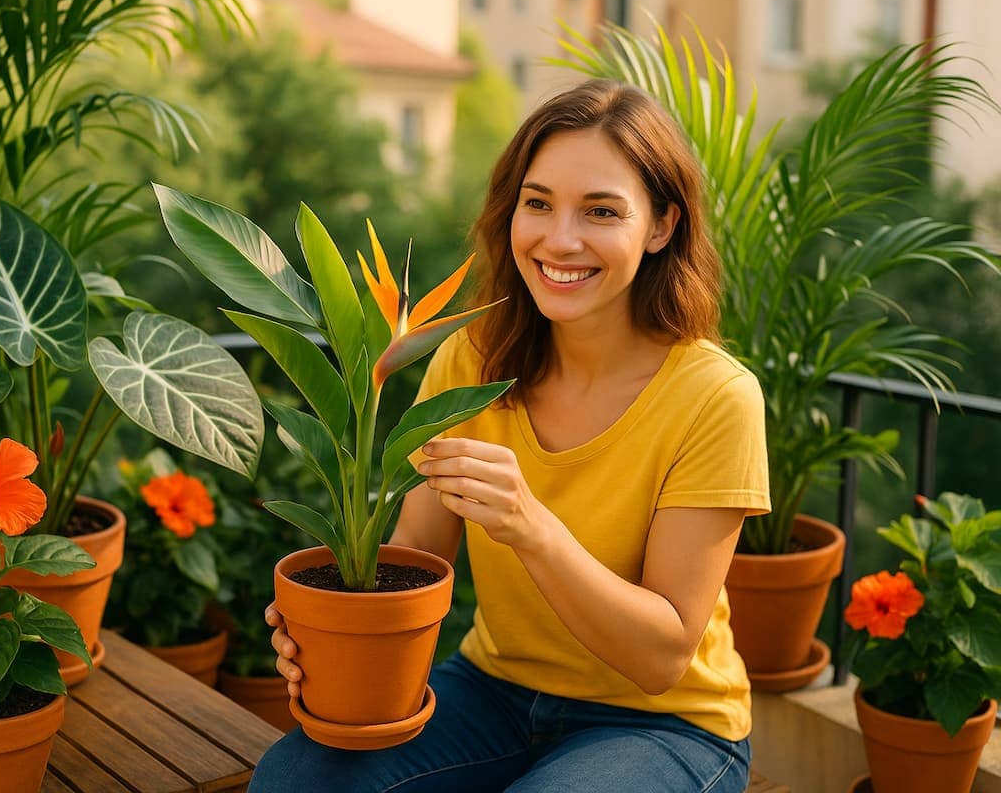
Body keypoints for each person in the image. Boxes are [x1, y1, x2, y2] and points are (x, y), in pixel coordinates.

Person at [249, 78, 770, 793]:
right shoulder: (472, 359)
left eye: (601, 211)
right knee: (294, 781)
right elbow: (418, 550)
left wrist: (532, 526)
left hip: (664, 723)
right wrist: (333, 625)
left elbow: (663, 657)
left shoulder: (715, 397)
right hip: (492, 691)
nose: (560, 240)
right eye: (538, 203)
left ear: (661, 226)